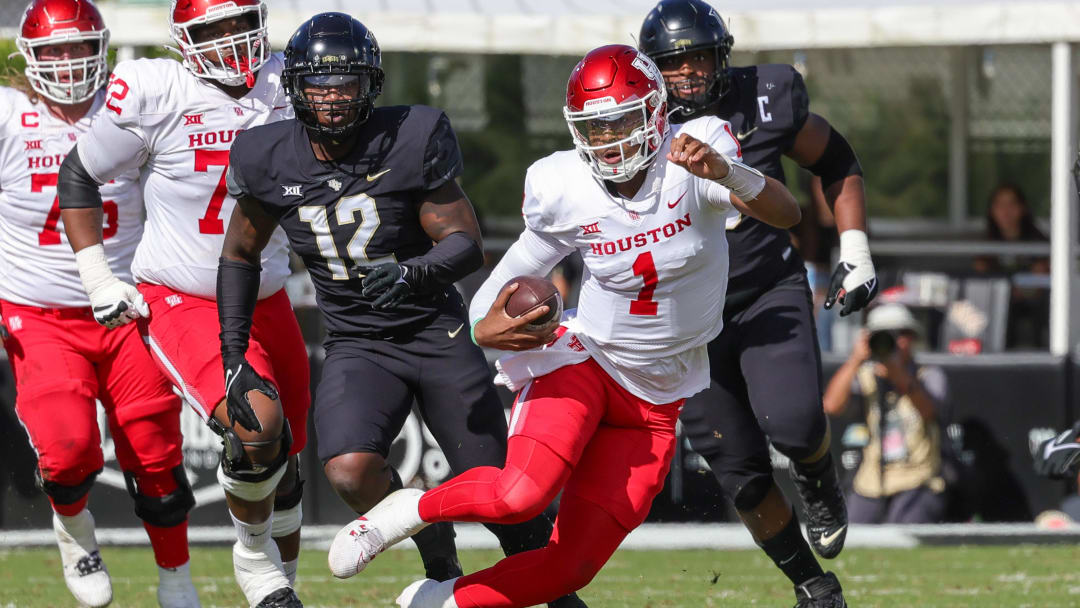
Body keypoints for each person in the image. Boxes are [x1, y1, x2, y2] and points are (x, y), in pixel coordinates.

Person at [326, 43, 802, 608]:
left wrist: (727, 172)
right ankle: (404, 511)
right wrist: (495, 329)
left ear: (654, 111)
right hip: (587, 362)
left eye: (621, 121)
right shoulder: (565, 186)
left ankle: (435, 602)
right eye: (595, 127)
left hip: (657, 399)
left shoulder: (695, 152)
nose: (609, 139)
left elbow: (786, 214)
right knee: (518, 495)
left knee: (567, 568)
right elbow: (484, 309)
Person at [216, 13, 584, 608]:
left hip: (433, 329)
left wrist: (416, 270)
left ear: (371, 85)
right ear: (295, 88)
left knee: (508, 504)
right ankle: (432, 537)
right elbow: (239, 255)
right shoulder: (268, 154)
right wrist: (233, 354)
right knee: (349, 471)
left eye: (347, 84)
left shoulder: (412, 135)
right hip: (357, 343)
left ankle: (560, 597)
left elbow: (466, 242)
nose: (333, 99)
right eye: (319, 84)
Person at [57, 1, 308, 605]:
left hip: (268, 296)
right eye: (211, 30)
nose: (229, 42)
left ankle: (287, 587)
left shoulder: (287, 79)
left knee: (288, 460)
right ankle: (254, 562)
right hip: (185, 295)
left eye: (237, 24)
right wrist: (97, 277)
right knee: (256, 430)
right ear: (181, 41)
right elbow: (79, 173)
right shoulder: (154, 87)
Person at [638, 2, 878, 605]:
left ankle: (817, 475)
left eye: (699, 59)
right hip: (684, 320)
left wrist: (855, 246)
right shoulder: (634, 118)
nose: (689, 75)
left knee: (795, 425)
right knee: (739, 474)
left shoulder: (765, 97)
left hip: (763, 290)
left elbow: (835, 159)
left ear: (723, 56)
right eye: (675, 63)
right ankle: (811, 584)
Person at [1, 1, 198, 606]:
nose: (67, 63)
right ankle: (75, 529)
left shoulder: (133, 105)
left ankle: (176, 578)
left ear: (103, 47)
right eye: (54, 51)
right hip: (41, 314)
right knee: (66, 453)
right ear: (28, 57)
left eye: (78, 47)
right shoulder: (8, 116)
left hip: (129, 308)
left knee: (156, 453)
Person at [823, 303, 948, 524]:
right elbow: (831, 406)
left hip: (918, 479)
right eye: (885, 335)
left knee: (906, 537)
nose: (894, 342)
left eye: (900, 334)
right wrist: (855, 359)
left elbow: (930, 412)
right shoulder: (865, 376)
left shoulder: (929, 375)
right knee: (850, 540)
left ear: (911, 337)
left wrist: (898, 374)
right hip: (871, 481)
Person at [973, 183, 1049, 275]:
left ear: (1022, 208)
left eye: (1011, 204)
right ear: (992, 210)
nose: (1006, 211)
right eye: (1000, 205)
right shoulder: (984, 245)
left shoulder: (1039, 243)